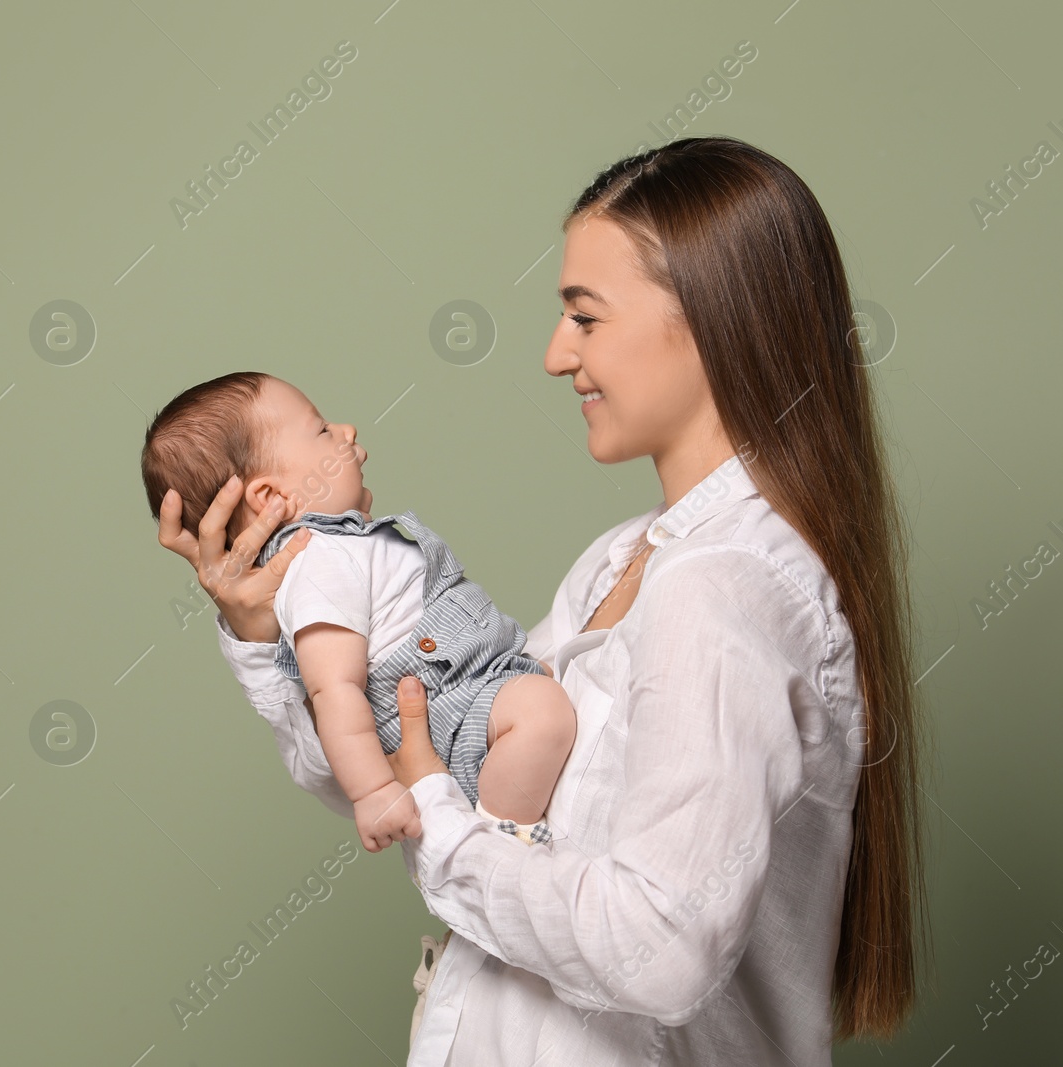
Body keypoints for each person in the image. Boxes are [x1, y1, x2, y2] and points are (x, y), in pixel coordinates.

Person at [155, 136, 927, 1065]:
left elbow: (659, 945)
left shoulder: (723, 589)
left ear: (712, 319)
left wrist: (438, 824)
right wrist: (261, 633)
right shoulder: (619, 564)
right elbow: (419, 753)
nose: (556, 353)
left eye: (585, 316)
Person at [140, 372, 577, 851]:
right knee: (543, 711)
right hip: (442, 707)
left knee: (538, 698)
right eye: (323, 429)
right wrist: (375, 791)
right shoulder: (321, 561)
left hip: (466, 685)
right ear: (269, 497)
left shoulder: (341, 548)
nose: (347, 431)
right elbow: (334, 688)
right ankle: (503, 847)